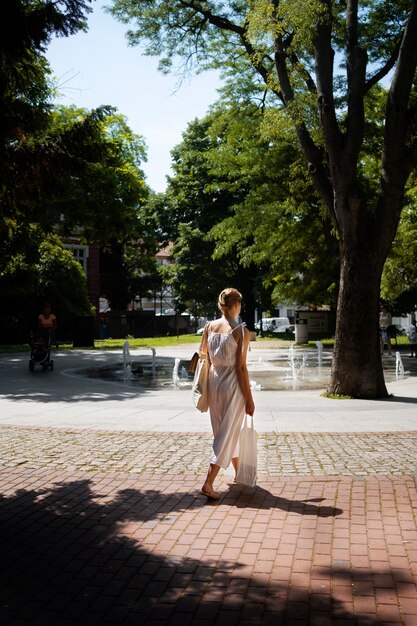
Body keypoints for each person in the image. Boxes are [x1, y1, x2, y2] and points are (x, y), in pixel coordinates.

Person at [200, 288, 255, 500]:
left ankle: (239, 472)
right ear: (235, 305)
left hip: (214, 382)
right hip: (232, 384)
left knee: (224, 430)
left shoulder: (209, 327)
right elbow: (241, 368)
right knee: (227, 433)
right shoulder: (241, 331)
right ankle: (208, 482)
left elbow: (205, 355)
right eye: (240, 304)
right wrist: (249, 398)